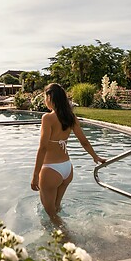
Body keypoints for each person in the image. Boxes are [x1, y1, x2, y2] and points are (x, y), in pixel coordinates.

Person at [31, 83, 106, 224]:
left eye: (44, 97)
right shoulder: (71, 117)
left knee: (51, 215)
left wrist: (35, 175)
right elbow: (84, 141)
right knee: (56, 207)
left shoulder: (47, 118)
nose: (44, 101)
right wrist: (95, 157)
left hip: (50, 170)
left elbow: (43, 148)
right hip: (67, 168)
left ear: (50, 97)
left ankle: (66, 239)